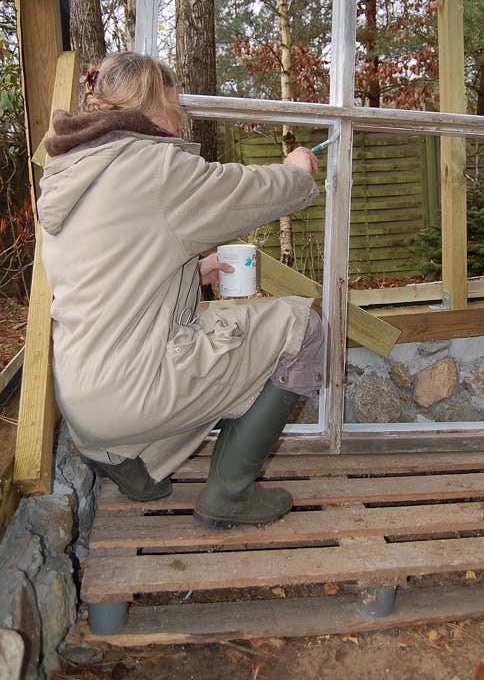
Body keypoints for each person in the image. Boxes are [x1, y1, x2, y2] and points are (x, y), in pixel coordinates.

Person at [38, 51, 323, 529]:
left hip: (82, 400)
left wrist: (192, 273)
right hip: (131, 391)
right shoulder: (153, 166)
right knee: (303, 328)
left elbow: (113, 273)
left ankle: (130, 463)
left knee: (212, 342)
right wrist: (296, 170)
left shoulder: (72, 172)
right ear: (156, 103)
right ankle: (230, 493)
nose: (183, 115)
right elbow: (246, 190)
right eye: (177, 102)